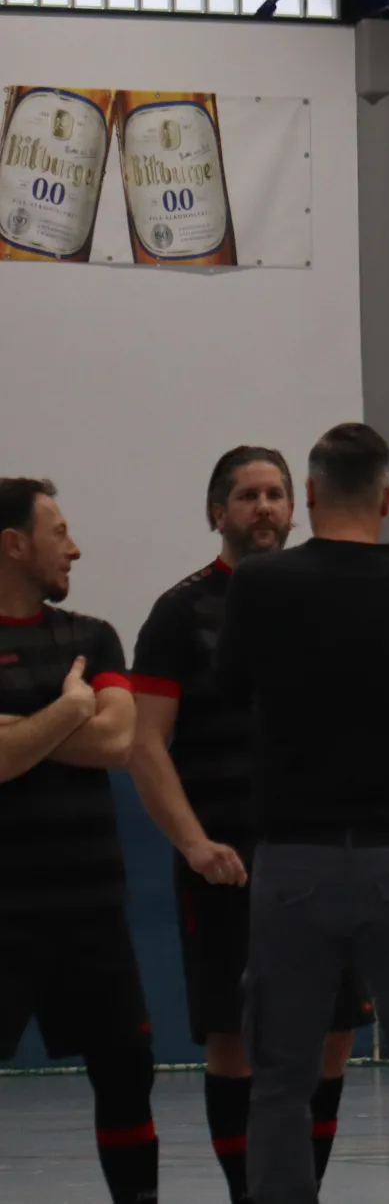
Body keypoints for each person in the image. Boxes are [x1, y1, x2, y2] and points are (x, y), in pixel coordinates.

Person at [217, 424, 389, 1204]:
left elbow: (231, 687)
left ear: (309, 494)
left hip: (293, 860)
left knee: (281, 1077)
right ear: (387, 496)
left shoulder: (261, 585)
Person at [129, 447, 375, 1203]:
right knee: (234, 1041)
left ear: (296, 507)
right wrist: (194, 843)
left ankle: (302, 1192)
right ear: (217, 512)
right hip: (226, 866)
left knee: (335, 1034)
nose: (264, 506)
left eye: (276, 493)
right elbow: (145, 743)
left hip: (323, 857)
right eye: (247, 495)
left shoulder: (325, 598)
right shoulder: (179, 612)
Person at [0, 478, 152, 1204]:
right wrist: (68, 709)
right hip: (3, 910)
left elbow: (119, 740)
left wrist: (23, 731)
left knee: (126, 1072)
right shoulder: (78, 677)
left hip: (91, 907)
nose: (76, 547)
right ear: (14, 544)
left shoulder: (93, 637)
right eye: (59, 531)